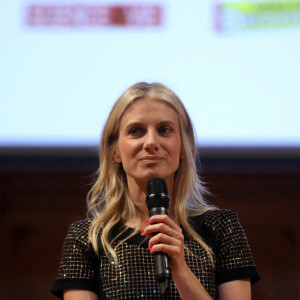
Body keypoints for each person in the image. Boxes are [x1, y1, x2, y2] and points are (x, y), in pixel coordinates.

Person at [51, 82, 260, 299]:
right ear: (115, 151)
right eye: (136, 131)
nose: (151, 142)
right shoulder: (87, 238)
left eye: (164, 130)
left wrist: (180, 269)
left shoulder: (221, 227)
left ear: (183, 146)